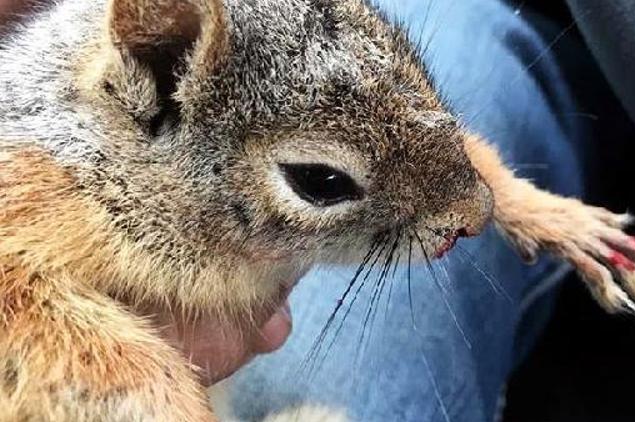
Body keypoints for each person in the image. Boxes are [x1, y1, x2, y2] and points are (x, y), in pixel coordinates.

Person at [0, 0, 587, 420]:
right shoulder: (56, 189)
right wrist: (143, 384)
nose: (470, 217)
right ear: (159, 74)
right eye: (319, 179)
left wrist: (515, 200)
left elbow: (409, 137)